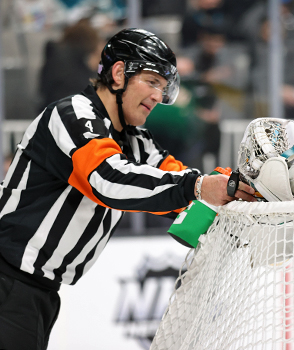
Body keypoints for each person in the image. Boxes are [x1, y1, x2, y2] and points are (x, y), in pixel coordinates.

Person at [0, 28, 255, 350]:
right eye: (151, 82)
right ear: (118, 74)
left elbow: (177, 185)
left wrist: (250, 191)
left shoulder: (134, 139)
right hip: (7, 279)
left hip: (35, 291)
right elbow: (108, 179)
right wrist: (200, 187)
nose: (158, 97)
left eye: (163, 88)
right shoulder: (72, 113)